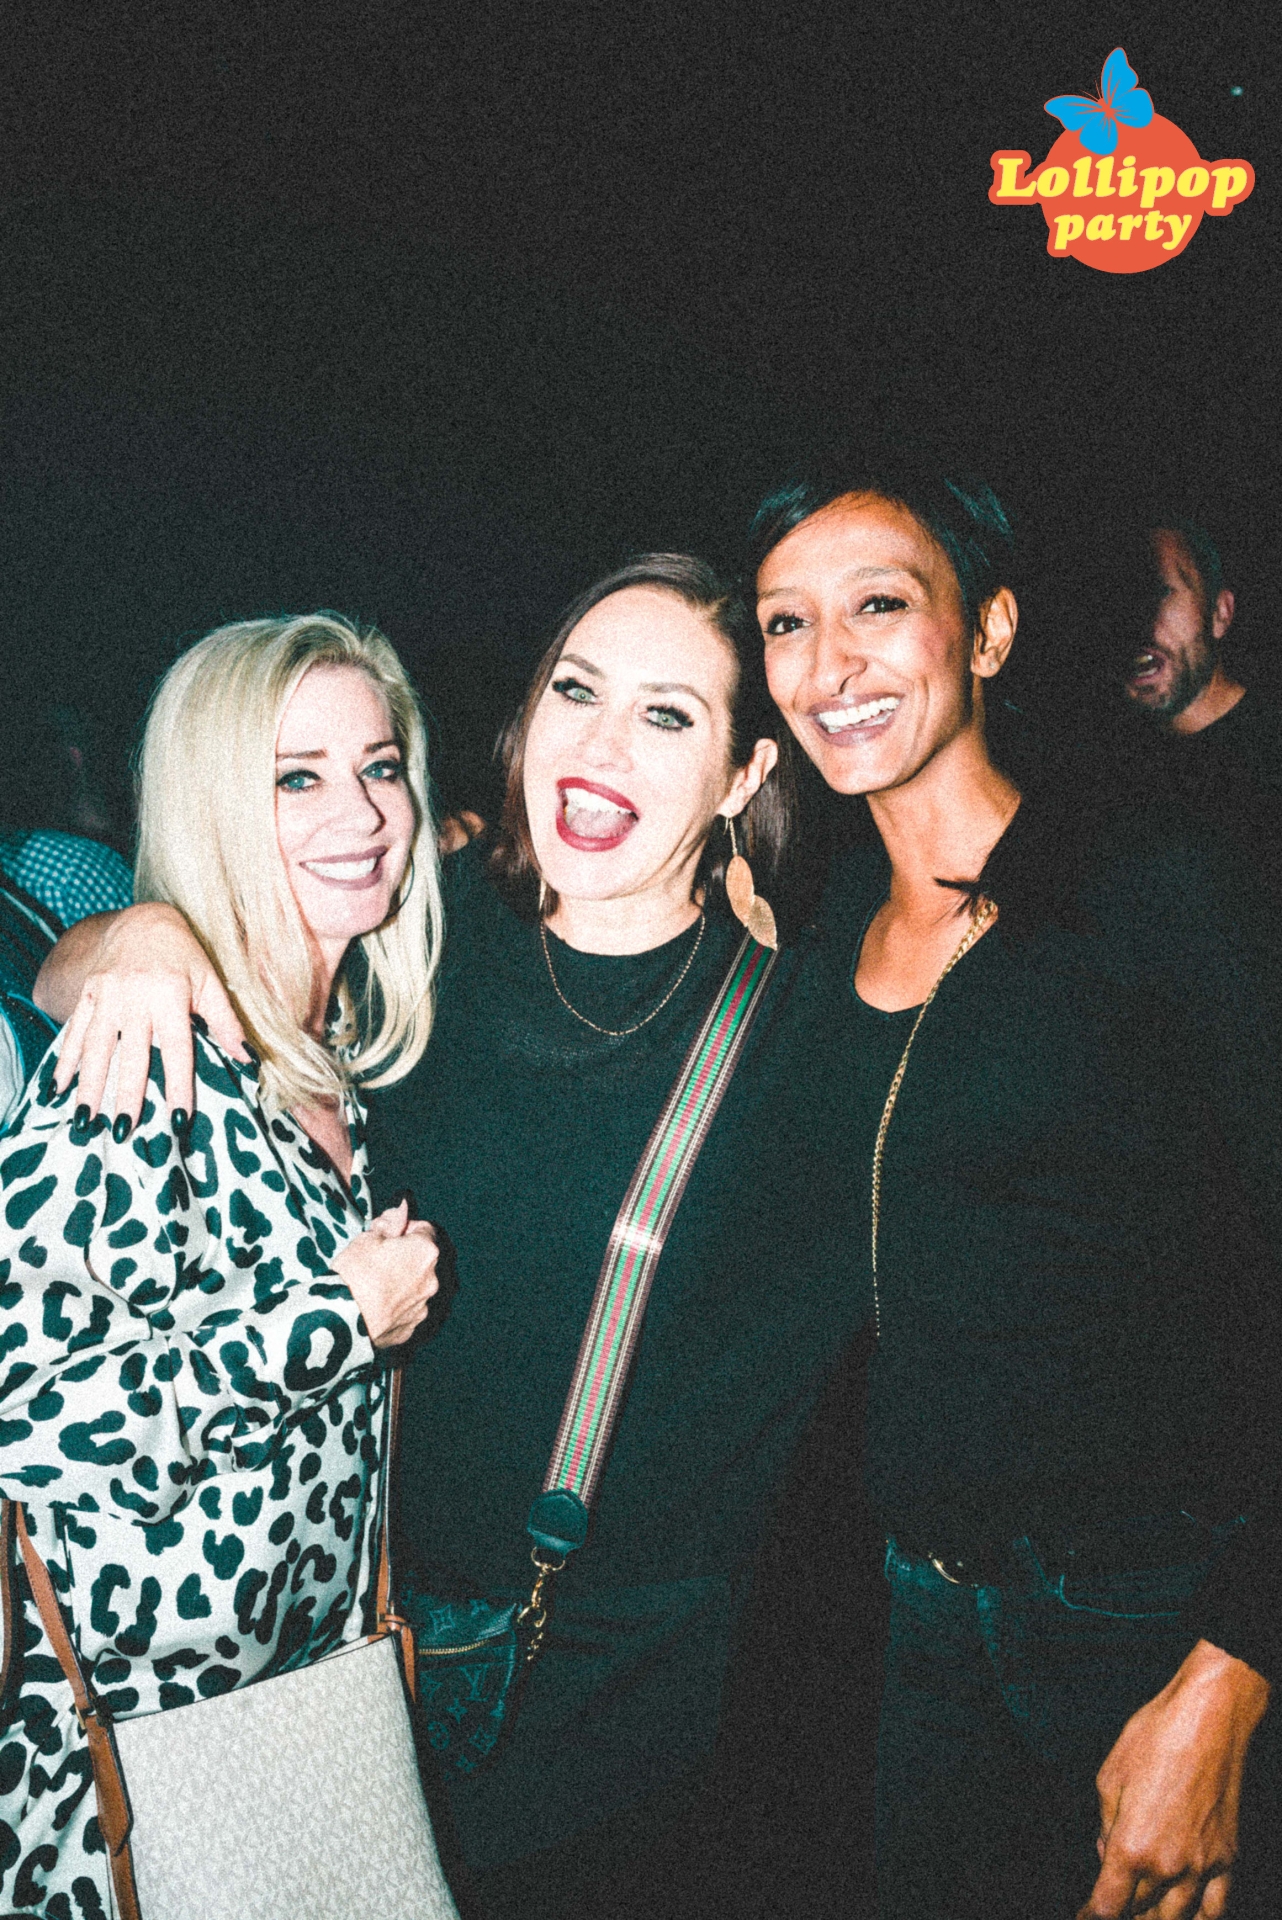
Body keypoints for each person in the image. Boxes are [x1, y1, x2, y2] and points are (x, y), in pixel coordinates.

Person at [36, 556, 868, 1920]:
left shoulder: (815, 1025)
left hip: (617, 1717)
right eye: (576, 691)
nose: (603, 742)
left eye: (667, 714)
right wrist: (133, 935)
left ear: (742, 775)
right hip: (321, 1680)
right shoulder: (428, 937)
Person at [749, 454, 1282, 1920]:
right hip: (907, 1624)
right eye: (785, 622)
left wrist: (1230, 1678)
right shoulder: (810, 940)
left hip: (1144, 1621)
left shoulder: (1148, 892)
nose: (827, 663)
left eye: (877, 605)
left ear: (985, 631)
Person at [0, 612, 456, 1916]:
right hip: (147, 1767)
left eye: (379, 766)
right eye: (296, 777)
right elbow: (29, 1424)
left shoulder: (326, 1064)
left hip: (315, 1716)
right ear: (211, 805)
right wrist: (333, 1319)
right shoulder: (152, 1061)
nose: (360, 812)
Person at [1117, 517, 1282, 877]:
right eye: (1122, 600)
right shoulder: (1108, 774)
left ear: (1220, 614)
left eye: (1160, 592)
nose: (1138, 620)